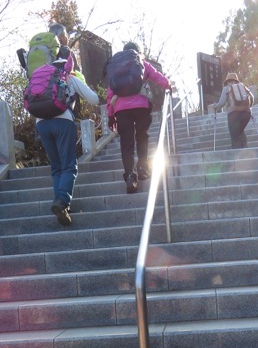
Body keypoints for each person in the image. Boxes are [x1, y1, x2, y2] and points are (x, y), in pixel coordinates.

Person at [34, 49, 100, 226]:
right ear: (70, 63)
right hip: (63, 122)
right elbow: (93, 99)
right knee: (69, 165)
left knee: (56, 167)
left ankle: (61, 205)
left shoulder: (44, 75)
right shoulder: (69, 77)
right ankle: (62, 201)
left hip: (41, 123)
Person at [106, 42, 172, 194]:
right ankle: (142, 168)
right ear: (138, 51)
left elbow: (110, 93)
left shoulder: (116, 66)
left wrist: (111, 114)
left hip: (121, 109)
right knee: (142, 136)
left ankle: (130, 175)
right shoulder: (140, 61)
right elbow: (156, 76)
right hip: (141, 106)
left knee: (126, 143)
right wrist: (168, 85)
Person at [210, 73, 254, 149]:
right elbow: (252, 97)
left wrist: (214, 106)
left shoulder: (227, 88)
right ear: (236, 81)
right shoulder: (243, 86)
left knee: (234, 135)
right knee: (240, 131)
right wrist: (248, 107)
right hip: (246, 113)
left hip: (233, 114)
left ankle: (236, 153)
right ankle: (245, 149)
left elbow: (221, 103)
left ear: (227, 82)